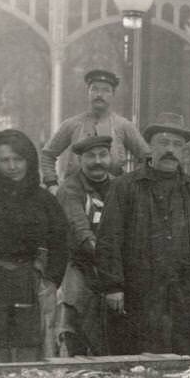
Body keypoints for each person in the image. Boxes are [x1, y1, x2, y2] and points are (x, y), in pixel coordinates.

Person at [92, 112, 190, 355]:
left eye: (177, 145)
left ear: (183, 151)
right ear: (150, 146)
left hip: (183, 295)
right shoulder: (125, 187)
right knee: (135, 361)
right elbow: (108, 240)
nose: (170, 150)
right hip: (138, 294)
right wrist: (113, 286)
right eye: (164, 142)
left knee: (179, 359)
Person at [0, 129, 69, 363]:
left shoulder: (44, 201)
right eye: (5, 160)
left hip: (28, 282)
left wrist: (51, 280)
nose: (12, 166)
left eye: (18, 159)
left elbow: (60, 242)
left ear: (29, 161)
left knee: (29, 346)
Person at [54, 134, 115, 355]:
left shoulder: (120, 186)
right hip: (80, 265)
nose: (97, 161)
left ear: (111, 156)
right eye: (90, 156)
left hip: (113, 268)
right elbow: (81, 231)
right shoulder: (70, 189)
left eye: (103, 155)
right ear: (80, 160)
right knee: (75, 314)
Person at [40, 69, 149, 191]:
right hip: (76, 192)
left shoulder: (124, 126)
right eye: (94, 89)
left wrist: (132, 185)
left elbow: (146, 157)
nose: (99, 95)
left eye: (105, 90)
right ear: (88, 93)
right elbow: (47, 155)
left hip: (114, 194)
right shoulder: (72, 124)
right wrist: (52, 184)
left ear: (113, 94)